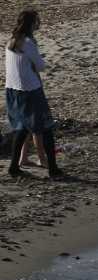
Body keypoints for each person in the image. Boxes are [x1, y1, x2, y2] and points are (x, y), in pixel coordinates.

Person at [6, 9, 62, 179]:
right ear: (32, 24)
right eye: (37, 21)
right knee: (45, 129)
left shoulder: (11, 41)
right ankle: (53, 169)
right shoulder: (29, 43)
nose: (39, 24)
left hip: (12, 90)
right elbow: (41, 66)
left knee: (21, 129)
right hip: (31, 91)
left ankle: (14, 166)